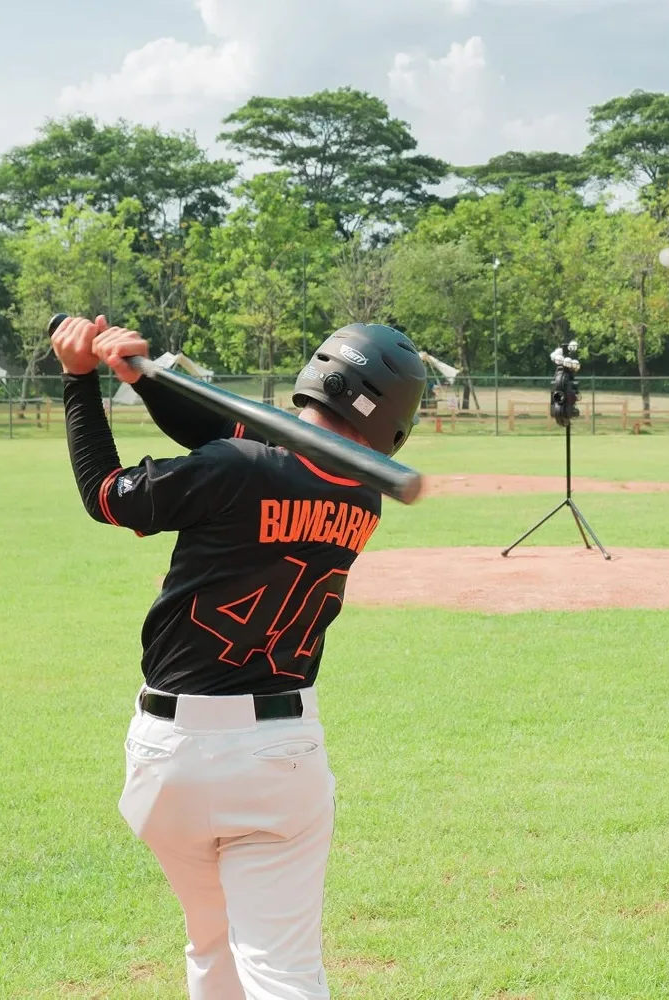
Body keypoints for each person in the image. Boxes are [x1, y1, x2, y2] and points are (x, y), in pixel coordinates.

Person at [50, 314, 426, 1000]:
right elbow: (232, 436)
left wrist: (79, 380)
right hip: (280, 760)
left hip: (171, 757)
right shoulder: (362, 496)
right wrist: (142, 377)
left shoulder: (230, 466)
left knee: (211, 946)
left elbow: (106, 494)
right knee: (281, 975)